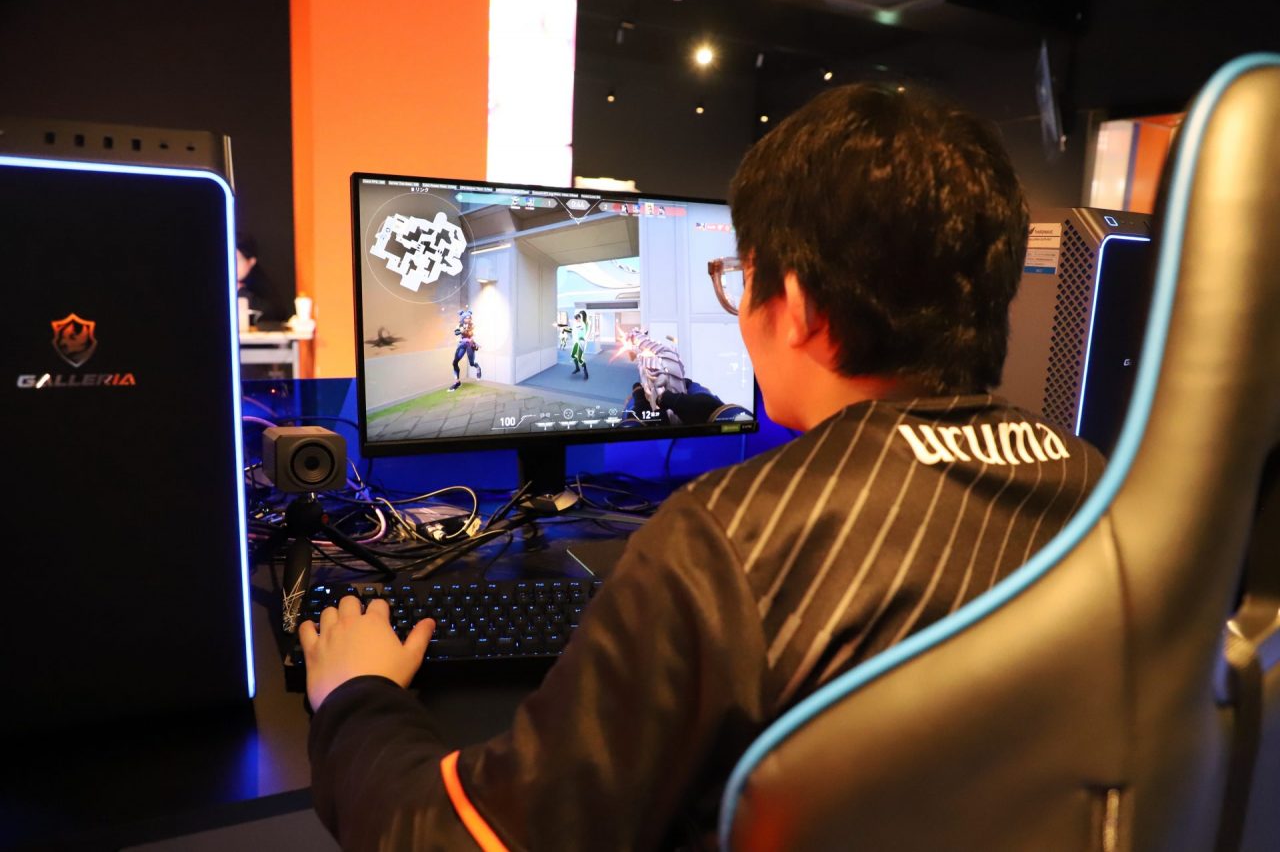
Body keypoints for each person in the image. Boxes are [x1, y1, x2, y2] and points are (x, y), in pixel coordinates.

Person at [300, 83, 1104, 850]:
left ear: (798, 307)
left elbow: (453, 838)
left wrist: (356, 698)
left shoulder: (731, 541)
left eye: (740, 279)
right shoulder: (1100, 491)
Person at [448, 307, 481, 391]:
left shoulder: (472, 325)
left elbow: (475, 335)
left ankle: (477, 367)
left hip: (470, 345)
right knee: (455, 362)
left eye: (469, 318)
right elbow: (456, 332)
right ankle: (457, 382)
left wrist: (474, 341)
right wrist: (461, 331)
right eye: (466, 318)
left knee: (471, 363)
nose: (468, 319)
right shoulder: (459, 325)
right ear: (463, 318)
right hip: (462, 344)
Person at [569, 308, 589, 379]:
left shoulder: (583, 324)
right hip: (576, 342)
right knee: (573, 355)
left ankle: (586, 373)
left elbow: (580, 330)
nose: (577, 320)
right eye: (576, 319)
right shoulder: (576, 324)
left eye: (577, 318)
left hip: (581, 342)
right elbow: (573, 331)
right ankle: (577, 368)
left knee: (580, 358)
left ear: (580, 317)